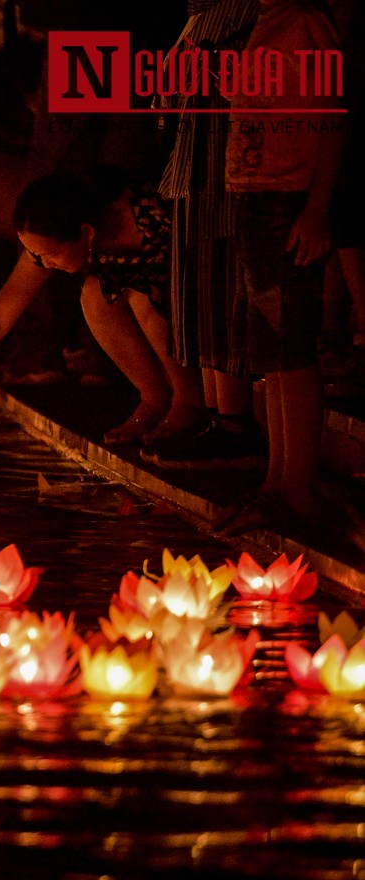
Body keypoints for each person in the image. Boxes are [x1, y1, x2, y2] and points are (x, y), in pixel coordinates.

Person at [0, 165, 208, 445]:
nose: (43, 264)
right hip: (145, 281)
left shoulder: (149, 215)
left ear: (86, 232)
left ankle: (188, 402)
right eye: (34, 255)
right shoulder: (52, 242)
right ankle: (152, 397)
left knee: (141, 295)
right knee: (94, 295)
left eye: (48, 254)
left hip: (196, 285)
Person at [210, 0, 346, 536]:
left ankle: (297, 487)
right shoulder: (261, 23)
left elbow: (332, 117)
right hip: (253, 193)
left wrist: (317, 208)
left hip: (287, 198)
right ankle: (276, 482)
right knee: (270, 345)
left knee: (290, 342)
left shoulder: (306, 21)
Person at [140, 0, 270, 471]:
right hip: (196, 161)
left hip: (224, 161)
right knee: (199, 288)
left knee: (219, 285)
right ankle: (218, 415)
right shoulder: (202, 17)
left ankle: (234, 422)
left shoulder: (240, 12)